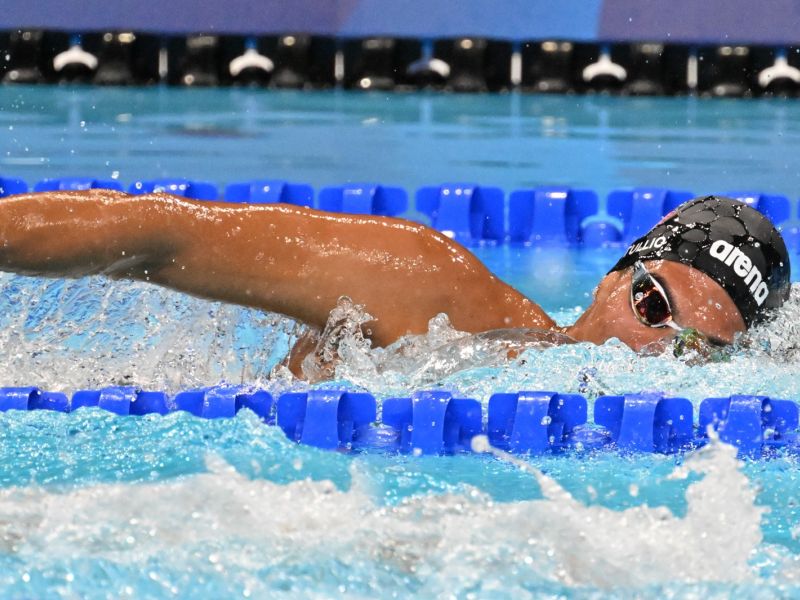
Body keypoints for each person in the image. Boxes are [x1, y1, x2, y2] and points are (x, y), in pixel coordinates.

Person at [0, 190, 790, 377]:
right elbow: (165, 236)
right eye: (653, 306)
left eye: (696, 352)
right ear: (613, 277)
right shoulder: (433, 289)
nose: (654, 351)